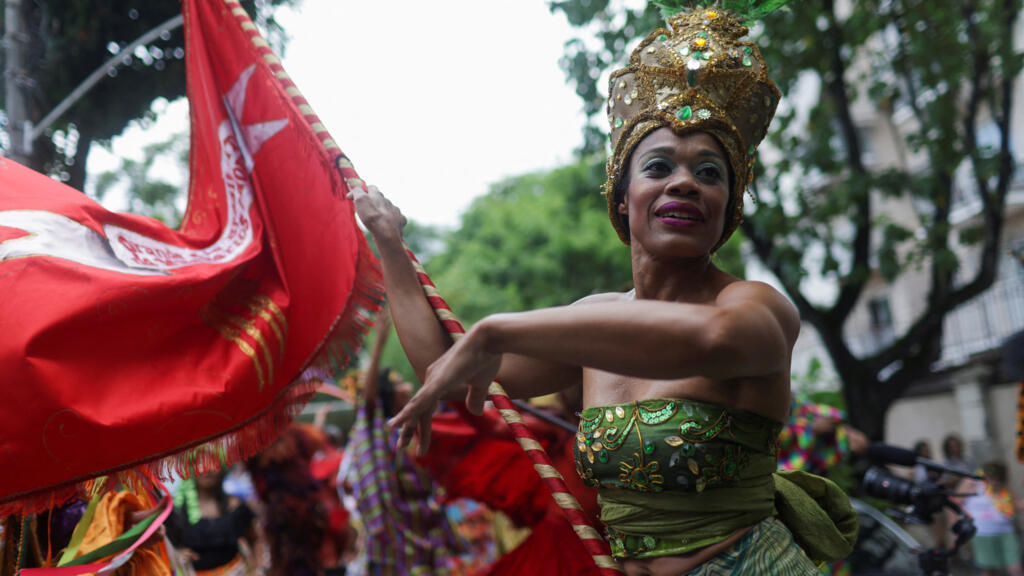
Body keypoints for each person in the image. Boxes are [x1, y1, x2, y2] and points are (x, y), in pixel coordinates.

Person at [350, 7, 857, 575]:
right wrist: (390, 246)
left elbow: (711, 341)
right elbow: (447, 366)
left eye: (710, 173)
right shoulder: (596, 320)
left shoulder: (755, 308)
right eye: (659, 166)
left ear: (727, 210)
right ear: (623, 198)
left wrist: (497, 329)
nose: (685, 181)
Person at [166, 470, 261, 576]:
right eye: (199, 463)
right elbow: (165, 547)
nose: (207, 470)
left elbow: (255, 539)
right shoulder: (177, 511)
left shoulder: (236, 505)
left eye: (212, 462)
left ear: (222, 468)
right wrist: (177, 555)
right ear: (191, 469)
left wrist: (258, 569)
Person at [961, 461, 1024, 576]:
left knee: (1016, 569)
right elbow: (955, 502)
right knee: (988, 571)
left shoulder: (1003, 489)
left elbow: (1019, 505)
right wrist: (958, 528)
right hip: (983, 533)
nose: (994, 482)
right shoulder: (972, 482)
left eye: (998, 479)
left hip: (1006, 532)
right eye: (991, 477)